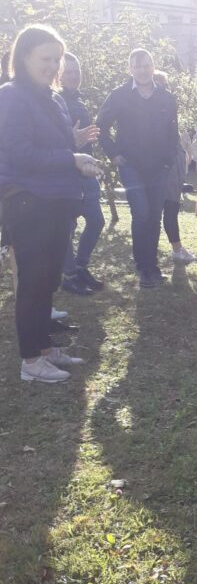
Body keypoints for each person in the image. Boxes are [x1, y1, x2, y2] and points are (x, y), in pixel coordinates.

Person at [0, 24, 103, 383]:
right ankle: (30, 362)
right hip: (29, 203)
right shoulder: (11, 96)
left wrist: (80, 161)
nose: (52, 66)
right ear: (24, 56)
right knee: (32, 282)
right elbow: (21, 154)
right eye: (46, 58)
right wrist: (69, 158)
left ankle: (45, 349)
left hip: (57, 203)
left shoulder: (53, 97)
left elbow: (58, 148)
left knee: (48, 281)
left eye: (56, 59)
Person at [97, 48, 179, 288]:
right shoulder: (119, 95)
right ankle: (142, 267)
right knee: (141, 213)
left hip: (159, 167)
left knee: (154, 216)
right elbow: (101, 126)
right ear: (130, 68)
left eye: (146, 65)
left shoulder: (166, 97)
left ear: (153, 67)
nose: (142, 70)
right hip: (131, 165)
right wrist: (113, 154)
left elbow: (172, 132)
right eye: (137, 66)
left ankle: (152, 266)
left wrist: (168, 159)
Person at [57, 52, 104, 296]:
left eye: (77, 72)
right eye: (68, 72)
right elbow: (56, 144)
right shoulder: (56, 101)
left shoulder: (80, 100)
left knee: (96, 221)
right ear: (59, 76)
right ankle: (69, 275)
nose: (74, 77)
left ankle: (80, 265)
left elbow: (85, 139)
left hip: (87, 172)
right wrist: (73, 143)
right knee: (68, 225)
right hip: (67, 174)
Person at [154, 70, 196, 265]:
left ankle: (175, 248)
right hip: (163, 171)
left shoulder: (168, 109)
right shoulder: (151, 115)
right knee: (167, 210)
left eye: (164, 85)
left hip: (174, 170)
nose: (162, 89)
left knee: (172, 209)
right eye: (158, 84)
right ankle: (177, 250)